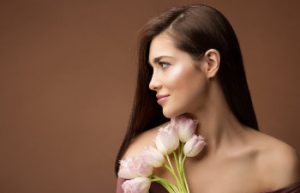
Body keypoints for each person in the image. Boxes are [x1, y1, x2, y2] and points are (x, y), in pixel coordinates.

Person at [115, 4, 300, 193]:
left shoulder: (278, 163)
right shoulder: (142, 159)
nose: (152, 83)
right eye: (152, 69)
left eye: (164, 64)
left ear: (210, 63)